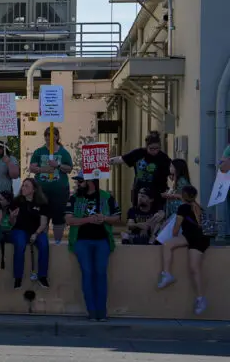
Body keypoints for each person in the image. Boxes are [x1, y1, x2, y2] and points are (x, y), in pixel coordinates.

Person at [65, 178, 120, 321]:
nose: (78, 184)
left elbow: (117, 217)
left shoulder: (106, 197)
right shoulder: (74, 198)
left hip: (102, 240)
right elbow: (69, 220)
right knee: (87, 273)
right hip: (81, 241)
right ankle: (92, 311)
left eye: (81, 181)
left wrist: (105, 218)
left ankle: (102, 311)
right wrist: (88, 220)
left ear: (90, 182)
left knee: (101, 274)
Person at [157, 186, 209, 314]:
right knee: (194, 269)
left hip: (190, 236)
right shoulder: (198, 206)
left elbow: (175, 230)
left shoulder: (183, 208)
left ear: (183, 195)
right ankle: (200, 298)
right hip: (202, 239)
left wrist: (172, 231)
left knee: (168, 245)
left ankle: (167, 274)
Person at [29, 126, 74, 244]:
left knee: (59, 218)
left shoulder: (63, 153)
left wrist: (57, 165)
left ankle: (58, 242)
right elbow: (32, 168)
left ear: (57, 136)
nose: (49, 137)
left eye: (52, 134)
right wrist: (43, 169)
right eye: (47, 135)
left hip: (59, 191)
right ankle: (42, 242)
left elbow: (69, 168)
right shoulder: (39, 152)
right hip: (42, 191)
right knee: (42, 216)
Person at [110, 131, 171, 212]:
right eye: (151, 149)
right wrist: (104, 162)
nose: (154, 151)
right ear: (146, 146)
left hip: (157, 195)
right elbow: (121, 159)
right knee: (138, 217)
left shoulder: (163, 157)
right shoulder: (139, 153)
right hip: (139, 193)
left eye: (157, 148)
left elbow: (172, 172)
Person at [9, 178, 50, 289]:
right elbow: (11, 223)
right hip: (19, 230)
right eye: (23, 185)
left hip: (37, 230)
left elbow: (43, 223)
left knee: (44, 244)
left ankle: (42, 276)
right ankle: (18, 278)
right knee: (20, 244)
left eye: (27, 186)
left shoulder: (42, 203)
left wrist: (36, 234)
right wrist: (12, 216)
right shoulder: (16, 201)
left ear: (34, 189)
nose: (23, 188)